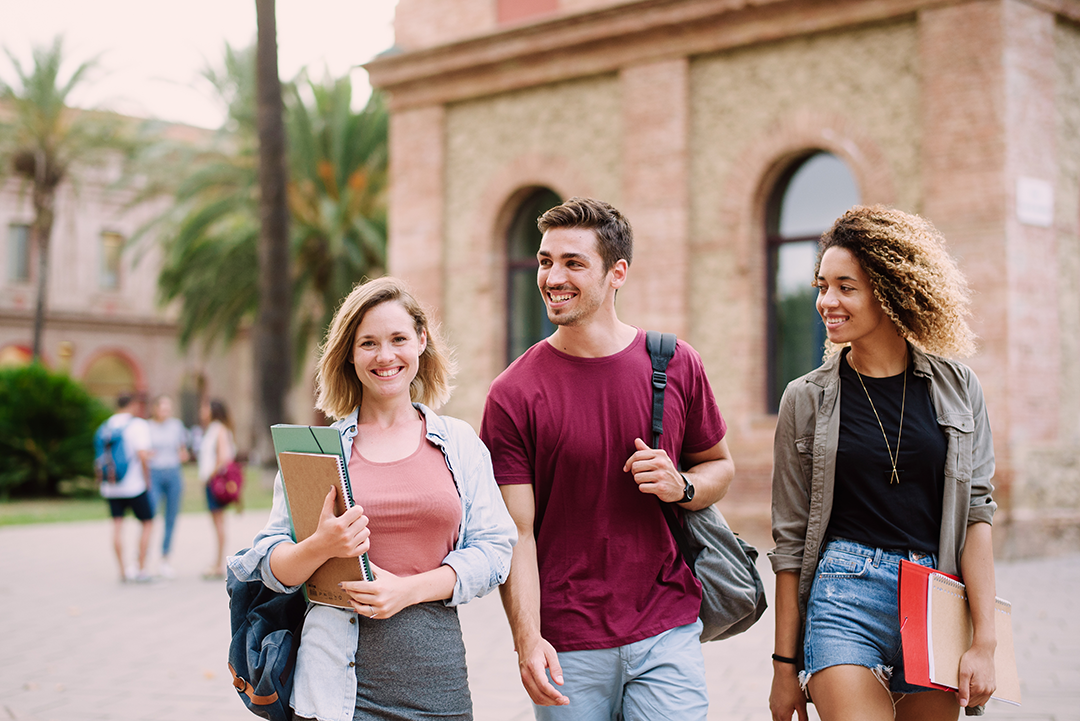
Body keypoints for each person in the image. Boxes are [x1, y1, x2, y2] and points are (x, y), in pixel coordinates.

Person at [480, 197, 735, 721]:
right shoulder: (513, 393)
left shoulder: (675, 363)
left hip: (666, 627)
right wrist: (527, 640)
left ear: (617, 272)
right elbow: (516, 534)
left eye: (573, 263)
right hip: (568, 641)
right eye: (546, 260)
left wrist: (681, 486)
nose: (553, 276)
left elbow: (718, 465)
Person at [229, 276, 516, 721]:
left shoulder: (458, 442)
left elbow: (496, 551)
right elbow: (269, 565)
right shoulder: (318, 450)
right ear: (350, 352)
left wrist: (406, 590)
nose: (385, 356)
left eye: (398, 339)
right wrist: (321, 545)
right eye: (368, 343)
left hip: (437, 688)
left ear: (421, 341)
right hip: (332, 695)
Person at [768, 205, 998, 721]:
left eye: (845, 286)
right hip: (843, 594)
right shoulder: (804, 399)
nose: (827, 301)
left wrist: (984, 641)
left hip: (935, 598)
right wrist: (784, 669)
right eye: (821, 285)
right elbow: (789, 540)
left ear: (890, 290)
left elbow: (976, 518)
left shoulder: (958, 389)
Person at [97, 392, 154, 582]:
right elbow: (143, 455)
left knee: (117, 525)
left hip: (111, 486)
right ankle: (141, 568)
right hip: (134, 485)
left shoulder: (105, 426)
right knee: (147, 523)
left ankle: (122, 570)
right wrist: (147, 480)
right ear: (133, 405)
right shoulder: (138, 425)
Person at [148, 394, 188, 578]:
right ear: (155, 409)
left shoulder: (176, 426)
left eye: (168, 408)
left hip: (173, 473)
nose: (166, 411)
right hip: (154, 474)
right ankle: (143, 558)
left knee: (170, 518)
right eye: (162, 407)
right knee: (150, 515)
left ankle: (165, 559)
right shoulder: (147, 427)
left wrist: (183, 455)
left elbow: (183, 450)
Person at [198, 398, 236, 579]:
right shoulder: (212, 429)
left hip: (214, 482)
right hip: (210, 481)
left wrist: (210, 476)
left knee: (219, 522)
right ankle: (217, 561)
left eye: (205, 408)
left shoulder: (219, 430)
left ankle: (220, 563)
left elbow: (223, 457)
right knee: (217, 522)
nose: (202, 411)